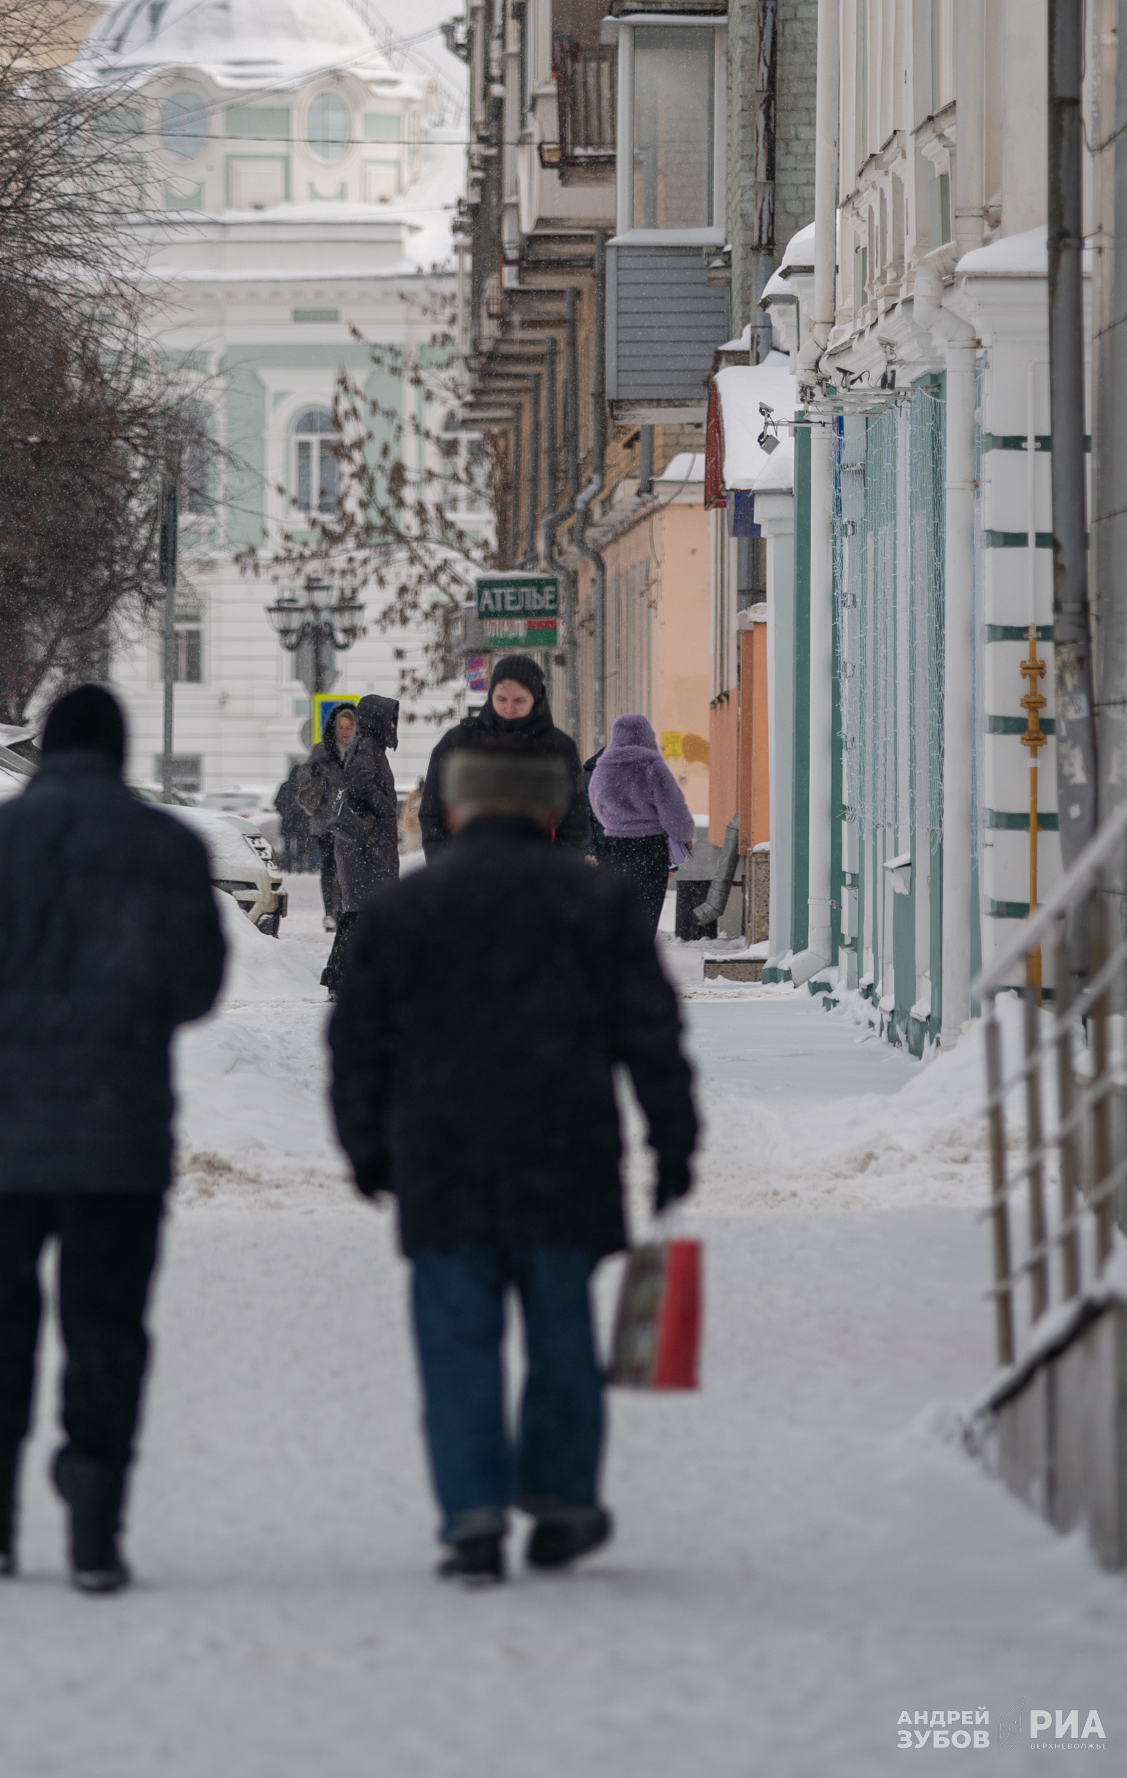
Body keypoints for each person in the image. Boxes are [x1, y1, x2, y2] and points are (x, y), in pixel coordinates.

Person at [0, 683, 226, 1592]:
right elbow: (195, 990)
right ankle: (96, 1528)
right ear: (118, 753)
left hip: (0, 1125)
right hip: (120, 1126)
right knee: (105, 1323)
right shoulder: (167, 850)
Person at [329, 743, 698, 1586]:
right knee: (562, 1333)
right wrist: (671, 1141)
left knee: (456, 1340)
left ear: (455, 813)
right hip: (562, 1153)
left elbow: (357, 1044)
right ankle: (563, 1503)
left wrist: (365, 1146)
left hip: (441, 1156)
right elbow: (650, 1034)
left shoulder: (405, 910)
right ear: (546, 812)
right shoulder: (596, 903)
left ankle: (473, 1515)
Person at [418, 653, 592, 860]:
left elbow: (575, 820)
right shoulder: (459, 741)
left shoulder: (559, 747)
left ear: (536, 698)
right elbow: (432, 812)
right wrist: (444, 861)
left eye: (519, 700)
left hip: (539, 875)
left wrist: (560, 870)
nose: (509, 708)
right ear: (491, 695)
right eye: (501, 698)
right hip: (467, 871)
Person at [585, 712, 697, 942]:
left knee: (617, 912)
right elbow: (673, 809)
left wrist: (615, 825)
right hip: (650, 849)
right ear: (648, 735)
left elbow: (597, 806)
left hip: (615, 848)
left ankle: (617, 966)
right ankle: (638, 962)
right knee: (646, 912)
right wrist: (684, 835)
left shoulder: (602, 767)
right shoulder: (653, 766)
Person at [322, 691, 399, 996]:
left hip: (366, 848)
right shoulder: (367, 747)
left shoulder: (368, 746)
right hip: (366, 849)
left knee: (362, 914)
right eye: (389, 720)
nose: (392, 727)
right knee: (361, 914)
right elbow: (359, 782)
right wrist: (386, 808)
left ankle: (350, 978)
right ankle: (341, 979)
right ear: (376, 720)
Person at [296, 702, 356, 929]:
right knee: (330, 866)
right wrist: (314, 773)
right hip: (325, 820)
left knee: (348, 868)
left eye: (349, 727)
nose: (344, 731)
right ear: (334, 727)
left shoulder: (361, 751)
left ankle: (345, 910)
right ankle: (331, 912)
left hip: (351, 822)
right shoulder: (322, 751)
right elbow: (303, 778)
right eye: (341, 726)